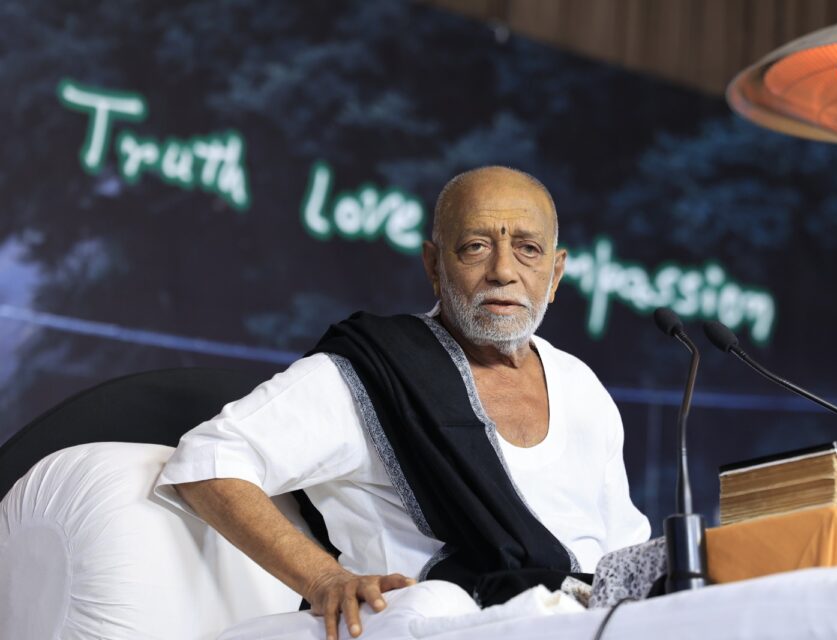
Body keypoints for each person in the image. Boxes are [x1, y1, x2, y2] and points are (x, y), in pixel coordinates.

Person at [154, 166, 650, 639]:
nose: (503, 270)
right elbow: (209, 460)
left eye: (527, 249)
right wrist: (323, 579)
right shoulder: (376, 372)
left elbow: (624, 554)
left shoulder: (581, 387)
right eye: (476, 246)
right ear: (434, 265)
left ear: (555, 273)